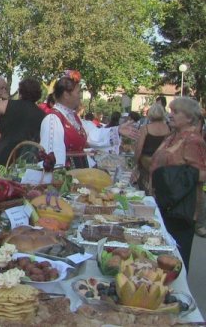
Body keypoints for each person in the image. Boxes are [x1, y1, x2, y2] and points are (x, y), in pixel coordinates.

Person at [39, 70, 139, 168]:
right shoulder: (53, 119)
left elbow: (91, 136)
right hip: (68, 176)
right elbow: (51, 158)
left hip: (79, 173)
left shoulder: (71, 117)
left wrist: (117, 130)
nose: (80, 97)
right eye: (78, 93)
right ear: (66, 95)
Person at [150, 97, 206, 267]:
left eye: (176, 112)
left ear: (189, 117)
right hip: (166, 204)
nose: (170, 115)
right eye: (171, 111)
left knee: (176, 260)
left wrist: (175, 178)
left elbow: (202, 173)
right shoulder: (172, 136)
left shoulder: (193, 141)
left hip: (180, 209)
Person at [0, 78, 45, 165]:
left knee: (0, 178)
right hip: (25, 160)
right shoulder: (42, 114)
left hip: (3, 153)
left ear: (21, 91)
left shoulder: (9, 104)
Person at [133, 104, 170, 192]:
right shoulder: (168, 129)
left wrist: (135, 162)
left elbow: (139, 148)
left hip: (146, 162)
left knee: (144, 188)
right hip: (161, 162)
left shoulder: (145, 128)